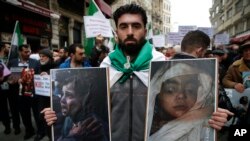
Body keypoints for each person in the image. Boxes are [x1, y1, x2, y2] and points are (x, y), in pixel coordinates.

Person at [43, 4, 232, 141]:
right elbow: (87, 110)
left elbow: (187, 110)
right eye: (124, 26)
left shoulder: (163, 66)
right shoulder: (105, 67)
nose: (130, 32)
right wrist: (56, 115)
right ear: (116, 31)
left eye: (136, 26)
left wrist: (211, 115)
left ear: (145, 29)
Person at [148, 61, 215, 141]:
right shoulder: (143, 123)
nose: (181, 96)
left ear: (201, 94)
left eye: (190, 90)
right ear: (157, 94)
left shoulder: (206, 121)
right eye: (170, 90)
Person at [45, 69, 109, 141]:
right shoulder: (69, 118)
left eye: (69, 95)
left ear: (84, 99)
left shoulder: (95, 127)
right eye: (62, 94)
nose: (62, 100)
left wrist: (72, 136)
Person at [8, 44, 40, 139]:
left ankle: (40, 131)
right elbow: (9, 78)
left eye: (29, 51)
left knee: (37, 114)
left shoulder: (35, 62)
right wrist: (15, 80)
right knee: (24, 114)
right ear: (20, 52)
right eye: (26, 52)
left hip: (33, 93)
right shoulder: (12, 62)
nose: (28, 53)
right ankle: (29, 130)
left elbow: (39, 76)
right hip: (20, 94)